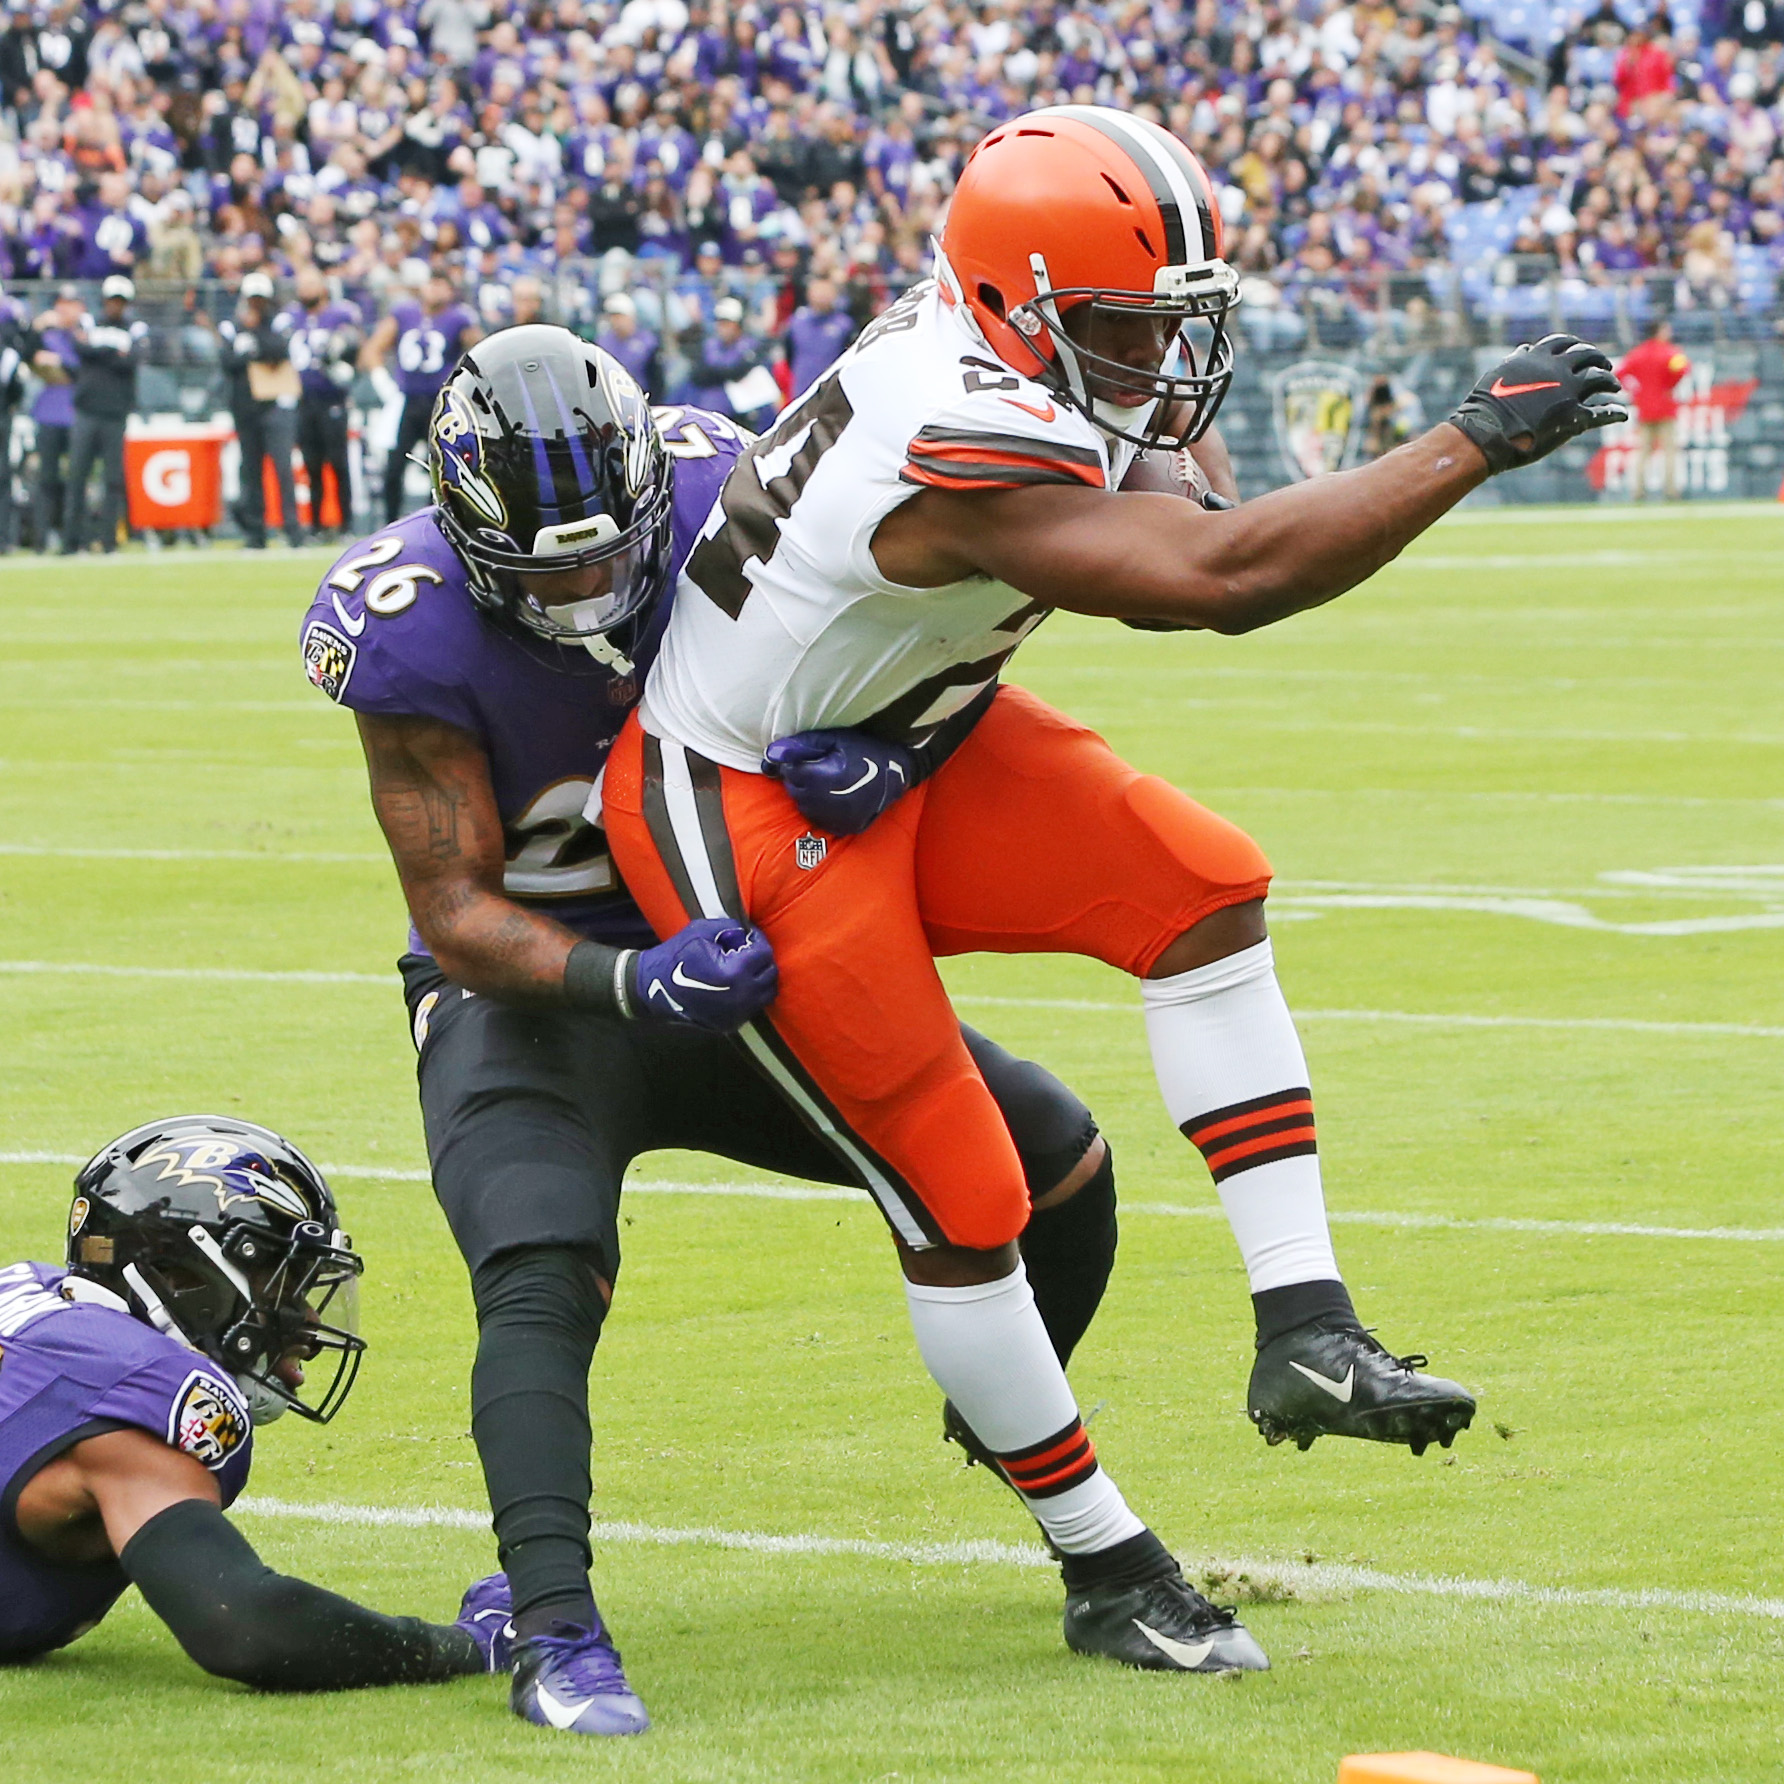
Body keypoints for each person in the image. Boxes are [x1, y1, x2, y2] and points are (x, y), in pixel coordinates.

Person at [599, 107, 1625, 1672]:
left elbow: (1187, 499)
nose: (1158, 362)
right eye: (1127, 330)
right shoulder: (963, 428)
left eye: (1172, 324)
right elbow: (1220, 582)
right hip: (741, 795)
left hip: (891, 734)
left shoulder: (1011, 346)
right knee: (962, 1189)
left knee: (1201, 889)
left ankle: (1308, 1334)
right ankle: (1105, 1565)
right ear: (1021, 311)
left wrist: (1144, 408)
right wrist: (1466, 441)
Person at [298, 326, 1125, 1734]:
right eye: (543, 570)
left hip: (749, 944)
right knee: (541, 1265)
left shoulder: (724, 491)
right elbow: (454, 909)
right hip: (544, 995)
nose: (583, 591)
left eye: (602, 554)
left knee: (1049, 1160)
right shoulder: (411, 623)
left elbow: (907, 646)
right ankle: (553, 1631)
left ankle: (1010, 1430)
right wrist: (633, 983)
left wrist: (891, 748)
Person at [0, 1114, 496, 1689]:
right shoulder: (137, 1391)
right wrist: (466, 1646)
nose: (308, 1325)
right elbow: (246, 1627)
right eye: (282, 1285)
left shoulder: (32, 1296)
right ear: (182, 1275)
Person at [360, 272, 481, 526]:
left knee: (441, 468)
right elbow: (373, 348)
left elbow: (479, 354)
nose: (435, 290)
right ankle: (390, 523)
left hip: (440, 405)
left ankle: (438, 525)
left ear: (450, 291)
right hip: (406, 401)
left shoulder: (459, 318)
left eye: (441, 284)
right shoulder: (404, 314)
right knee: (393, 467)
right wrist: (384, 381)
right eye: (432, 283)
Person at [222, 271, 303, 550]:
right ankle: (256, 533)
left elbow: (281, 349)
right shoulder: (232, 327)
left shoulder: (277, 322)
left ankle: (293, 530)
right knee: (251, 470)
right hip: (245, 408)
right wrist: (252, 346)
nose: (256, 306)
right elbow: (227, 361)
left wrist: (254, 338)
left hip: (275, 405)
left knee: (282, 468)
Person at [64, 274, 144, 555]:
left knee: (113, 479)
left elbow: (132, 360)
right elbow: (79, 348)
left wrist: (98, 351)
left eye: (120, 301)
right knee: (77, 477)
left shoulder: (134, 327)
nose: (115, 306)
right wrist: (112, 352)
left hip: (115, 412)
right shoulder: (88, 321)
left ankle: (108, 540)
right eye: (112, 300)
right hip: (87, 409)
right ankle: (72, 541)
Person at [286, 266, 363, 540]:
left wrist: (340, 354)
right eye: (302, 284)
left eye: (311, 283)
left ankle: (346, 524)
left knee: (338, 462)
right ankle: (316, 525)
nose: (305, 289)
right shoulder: (291, 317)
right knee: (311, 464)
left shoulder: (340, 314)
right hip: (303, 399)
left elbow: (355, 346)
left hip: (332, 398)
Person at [29, 285, 84, 554]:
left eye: (71, 303)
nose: (66, 309)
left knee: (77, 479)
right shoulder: (45, 334)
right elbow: (28, 353)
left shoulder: (83, 334)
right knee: (47, 478)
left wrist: (57, 362)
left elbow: (78, 369)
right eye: (61, 303)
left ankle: (75, 538)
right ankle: (40, 539)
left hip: (78, 412)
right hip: (50, 411)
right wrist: (36, 327)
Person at [1615, 320, 1690, 501]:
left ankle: (1638, 492)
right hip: (1665, 406)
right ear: (1660, 332)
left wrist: (1634, 391)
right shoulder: (1671, 353)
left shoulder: (1637, 353)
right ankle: (1671, 491)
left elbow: (1619, 374)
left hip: (1644, 408)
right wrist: (1670, 386)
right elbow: (1682, 370)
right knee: (1669, 451)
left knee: (1642, 452)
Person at [684, 295, 774, 426]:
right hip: (713, 410)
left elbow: (736, 371)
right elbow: (698, 374)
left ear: (738, 325)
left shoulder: (750, 346)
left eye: (727, 323)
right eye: (720, 323)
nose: (722, 328)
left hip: (743, 414)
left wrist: (720, 372)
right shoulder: (710, 345)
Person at [784, 273, 856, 398]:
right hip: (802, 388)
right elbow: (788, 353)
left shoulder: (844, 325)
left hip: (832, 392)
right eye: (818, 290)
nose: (822, 295)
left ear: (835, 294)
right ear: (809, 293)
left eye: (826, 291)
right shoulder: (796, 322)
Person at [595, 292, 660, 394]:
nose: (616, 321)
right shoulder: (603, 342)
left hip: (641, 395)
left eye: (620, 316)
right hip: (611, 395)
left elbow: (656, 379)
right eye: (613, 317)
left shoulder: (647, 342)